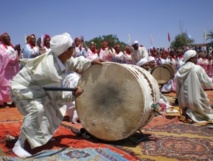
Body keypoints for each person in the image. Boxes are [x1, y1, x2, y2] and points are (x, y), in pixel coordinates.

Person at [10, 32, 104, 157]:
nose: (74, 49)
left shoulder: (60, 57)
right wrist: (74, 95)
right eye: (72, 47)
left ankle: (43, 136)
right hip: (23, 89)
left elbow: (75, 62)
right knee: (37, 110)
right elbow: (57, 96)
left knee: (53, 108)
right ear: (65, 51)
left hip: (39, 88)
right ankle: (19, 144)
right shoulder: (50, 69)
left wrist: (91, 62)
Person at [175, 49, 213, 123]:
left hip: (182, 102)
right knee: (205, 107)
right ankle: (192, 114)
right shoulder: (197, 68)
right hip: (196, 102)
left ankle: (187, 113)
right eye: (196, 57)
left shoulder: (180, 70)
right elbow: (208, 83)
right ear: (191, 58)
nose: (197, 59)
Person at [0, 33, 20, 107]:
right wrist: (14, 53)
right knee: (5, 86)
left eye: (8, 37)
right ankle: (3, 102)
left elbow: (16, 58)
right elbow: (4, 57)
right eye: (5, 37)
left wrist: (18, 51)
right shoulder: (1, 47)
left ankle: (12, 101)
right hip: (5, 70)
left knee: (13, 85)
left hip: (13, 70)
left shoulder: (12, 47)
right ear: (2, 39)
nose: (8, 38)